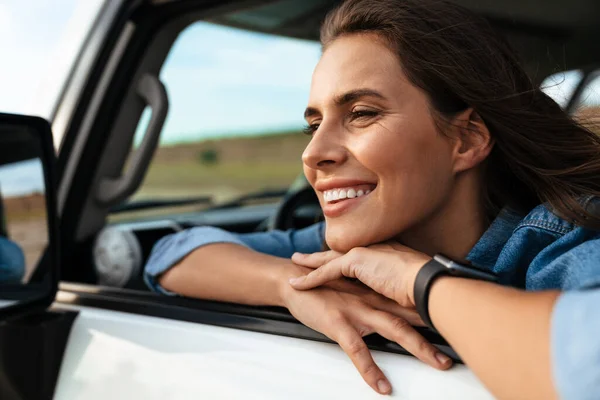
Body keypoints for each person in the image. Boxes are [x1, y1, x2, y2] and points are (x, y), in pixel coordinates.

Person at [144, 0, 600, 395]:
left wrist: (420, 282)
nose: (313, 153)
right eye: (313, 124)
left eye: (361, 113)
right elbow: (174, 254)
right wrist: (288, 287)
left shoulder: (559, 240)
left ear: (465, 141)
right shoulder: (343, 249)